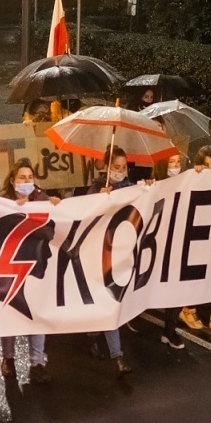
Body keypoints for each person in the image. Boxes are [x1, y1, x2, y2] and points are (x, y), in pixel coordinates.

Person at [0, 160, 58, 383]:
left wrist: (50, 208)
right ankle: (8, 358)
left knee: (36, 313)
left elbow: (50, 231)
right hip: (11, 267)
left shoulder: (42, 201)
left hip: (36, 266)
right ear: (13, 181)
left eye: (29, 178)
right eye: (22, 178)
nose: (26, 182)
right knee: (10, 312)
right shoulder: (1, 203)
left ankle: (38, 362)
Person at [83, 146, 136, 375]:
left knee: (111, 300)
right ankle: (105, 346)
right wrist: (98, 199)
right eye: (116, 167)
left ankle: (110, 349)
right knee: (103, 299)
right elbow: (84, 214)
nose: (120, 172)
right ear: (106, 166)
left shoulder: (130, 188)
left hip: (120, 254)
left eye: (124, 168)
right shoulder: (96, 187)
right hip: (98, 253)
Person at [177, 143, 211, 338]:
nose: (210, 169)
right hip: (198, 235)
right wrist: (194, 176)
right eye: (206, 164)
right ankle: (188, 309)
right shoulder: (194, 179)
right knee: (197, 273)